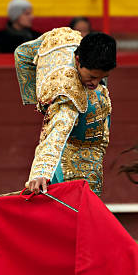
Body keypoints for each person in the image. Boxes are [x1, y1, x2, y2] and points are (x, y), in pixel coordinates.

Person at [14, 27, 116, 196]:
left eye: (102, 77)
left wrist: (37, 94)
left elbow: (22, 53)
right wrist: (41, 172)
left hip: (90, 151)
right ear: (77, 60)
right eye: (91, 76)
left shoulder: (66, 38)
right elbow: (57, 132)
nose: (96, 83)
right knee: (78, 210)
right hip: (73, 160)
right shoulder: (68, 94)